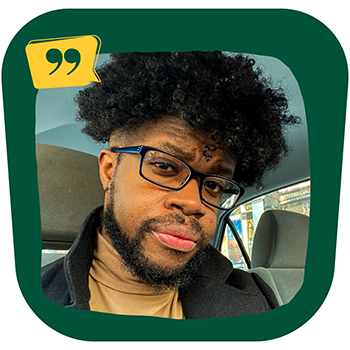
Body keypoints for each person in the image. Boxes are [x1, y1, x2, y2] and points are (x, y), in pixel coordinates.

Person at [41, 51, 300, 319]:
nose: (193, 203)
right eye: (165, 166)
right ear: (109, 171)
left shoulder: (258, 302)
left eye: (214, 185)